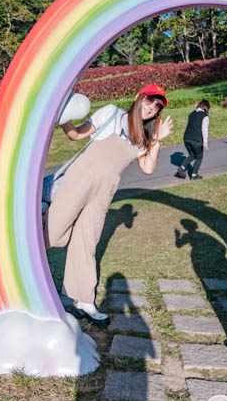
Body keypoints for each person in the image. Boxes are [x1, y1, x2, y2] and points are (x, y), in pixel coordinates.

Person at [47, 84, 173, 326]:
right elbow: (76, 135)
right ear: (139, 96)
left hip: (103, 192)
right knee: (55, 230)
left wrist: (157, 139)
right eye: (150, 100)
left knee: (87, 241)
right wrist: (62, 117)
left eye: (158, 105)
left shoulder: (143, 136)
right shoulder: (112, 113)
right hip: (80, 179)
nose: (152, 107)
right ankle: (18, 273)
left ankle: (83, 299)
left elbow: (147, 168)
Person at [176, 99, 209, 180]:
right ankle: (194, 175)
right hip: (196, 140)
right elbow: (204, 129)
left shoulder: (191, 114)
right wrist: (205, 142)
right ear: (206, 108)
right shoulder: (205, 116)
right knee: (199, 157)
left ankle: (182, 168)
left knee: (192, 155)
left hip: (186, 138)